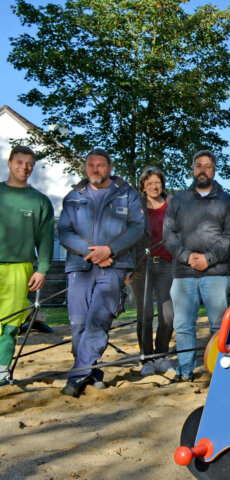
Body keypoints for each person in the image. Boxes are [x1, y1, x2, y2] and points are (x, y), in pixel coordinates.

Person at [58, 148, 145, 396]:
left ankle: (75, 378)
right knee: (78, 324)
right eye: (90, 165)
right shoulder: (73, 196)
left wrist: (110, 250)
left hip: (113, 267)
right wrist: (91, 251)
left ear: (110, 167)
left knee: (98, 321)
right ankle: (92, 370)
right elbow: (64, 232)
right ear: (85, 168)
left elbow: (137, 228)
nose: (95, 170)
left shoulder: (126, 194)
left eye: (100, 165)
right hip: (80, 266)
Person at [164, 150, 230, 382]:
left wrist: (209, 258)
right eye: (199, 165)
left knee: (219, 326)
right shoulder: (177, 201)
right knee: (183, 325)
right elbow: (169, 235)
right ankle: (185, 370)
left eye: (207, 166)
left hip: (215, 273)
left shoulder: (227, 201)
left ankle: (220, 372)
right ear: (193, 169)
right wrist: (187, 256)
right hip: (183, 273)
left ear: (214, 170)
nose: (203, 170)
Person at [0, 146, 54, 387]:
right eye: (20, 162)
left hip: (20, 267)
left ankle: (1, 371)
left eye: (29, 163)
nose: (25, 167)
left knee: (11, 323)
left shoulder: (40, 201)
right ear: (10, 163)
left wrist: (42, 268)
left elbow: (45, 238)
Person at [129, 167, 175, 377]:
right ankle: (146, 359)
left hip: (166, 264)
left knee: (168, 314)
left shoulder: (174, 204)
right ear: (143, 187)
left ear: (162, 184)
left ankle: (161, 355)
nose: (154, 187)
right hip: (142, 266)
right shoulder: (135, 206)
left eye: (157, 182)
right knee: (145, 314)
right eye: (149, 184)